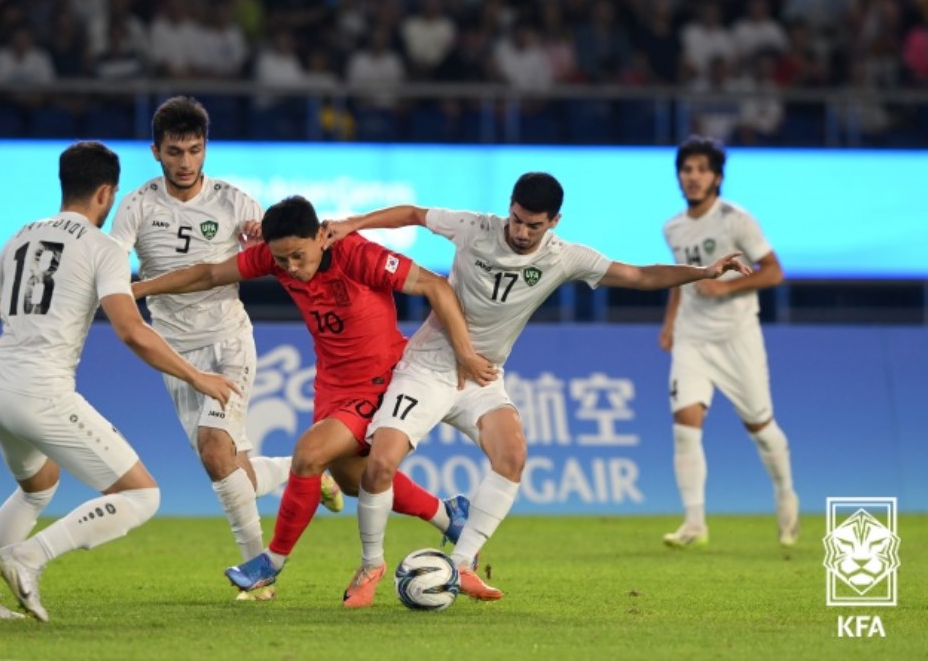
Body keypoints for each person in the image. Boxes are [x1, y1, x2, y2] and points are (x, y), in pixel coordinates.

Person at [326, 171, 751, 606]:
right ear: (509, 209)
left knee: (512, 457)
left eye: (534, 225)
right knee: (380, 466)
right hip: (430, 368)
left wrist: (704, 272)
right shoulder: (475, 227)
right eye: (516, 219)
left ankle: (465, 563)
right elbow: (414, 213)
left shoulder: (564, 257)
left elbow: (639, 276)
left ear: (554, 222)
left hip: (483, 377)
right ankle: (370, 565)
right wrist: (353, 223)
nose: (522, 232)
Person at [133, 195, 497, 593]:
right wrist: (139, 289)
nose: (290, 267)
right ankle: (448, 514)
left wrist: (464, 352)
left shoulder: (358, 256)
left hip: (382, 381)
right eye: (282, 259)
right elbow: (208, 274)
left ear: (320, 238)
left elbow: (435, 286)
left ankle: (271, 562)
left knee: (309, 454)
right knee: (355, 481)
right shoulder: (276, 257)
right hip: (333, 386)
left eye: (297, 256)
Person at [0, 142, 238, 622]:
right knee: (142, 495)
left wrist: (8, 367)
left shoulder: (21, 235)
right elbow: (132, 331)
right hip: (40, 392)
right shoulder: (103, 248)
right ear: (106, 193)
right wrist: (198, 376)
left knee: (36, 487)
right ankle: (29, 556)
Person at [109, 96, 342, 602]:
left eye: (195, 150)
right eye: (175, 151)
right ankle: (297, 472)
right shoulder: (137, 206)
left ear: (205, 147)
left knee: (216, 453)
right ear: (156, 152)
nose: (186, 162)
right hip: (173, 350)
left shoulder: (235, 203)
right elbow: (111, 265)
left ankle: (260, 577)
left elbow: (286, 253)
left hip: (228, 340)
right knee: (227, 466)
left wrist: (261, 236)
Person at [659, 136, 798, 548]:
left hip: (737, 337)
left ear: (717, 177)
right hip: (692, 338)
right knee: (685, 425)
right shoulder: (673, 227)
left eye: (702, 169)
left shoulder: (736, 220)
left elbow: (773, 272)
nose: (694, 177)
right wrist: (669, 324)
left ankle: (785, 493)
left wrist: (729, 289)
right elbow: (679, 278)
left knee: (760, 425)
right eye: (687, 169)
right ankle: (694, 523)